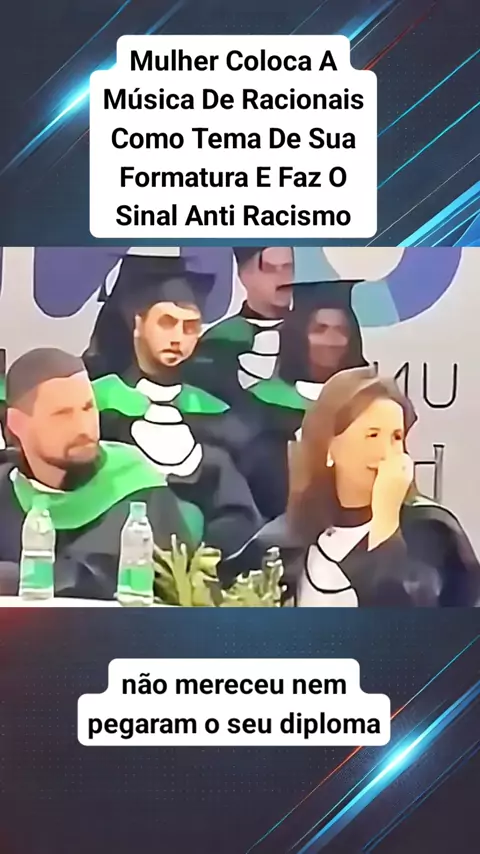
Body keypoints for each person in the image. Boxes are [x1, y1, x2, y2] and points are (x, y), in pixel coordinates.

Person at [223, 367, 480, 607]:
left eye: (396, 437)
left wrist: (386, 523)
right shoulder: (281, 542)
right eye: (372, 435)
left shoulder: (430, 532)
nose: (387, 452)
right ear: (329, 446)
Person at [83, 253, 263, 557]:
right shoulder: (97, 407)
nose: (178, 338)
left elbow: (238, 514)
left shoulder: (216, 416)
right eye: (166, 323)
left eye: (190, 326)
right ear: (138, 323)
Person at [0, 348, 198, 599]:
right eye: (62, 414)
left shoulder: (138, 488)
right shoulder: (6, 489)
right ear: (17, 423)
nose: (83, 427)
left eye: (87, 408)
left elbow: (98, 578)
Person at [191, 247, 294, 400]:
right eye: (270, 269)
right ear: (244, 275)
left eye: (289, 268)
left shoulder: (312, 334)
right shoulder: (218, 340)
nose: (284, 278)